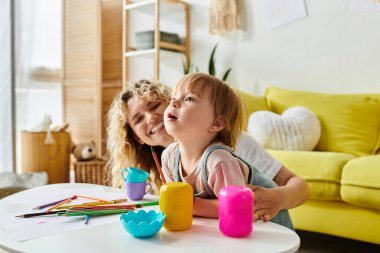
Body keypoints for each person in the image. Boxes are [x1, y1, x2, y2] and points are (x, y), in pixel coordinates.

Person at [106, 78, 309, 222]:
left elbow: (300, 186)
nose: (150, 118)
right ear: (136, 138)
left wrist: (279, 197)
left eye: (154, 105)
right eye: (138, 119)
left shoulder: (231, 146)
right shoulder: (168, 159)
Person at [160, 72, 294, 229]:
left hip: (270, 234)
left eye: (188, 98)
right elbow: (174, 204)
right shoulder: (169, 156)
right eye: (173, 98)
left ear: (216, 123)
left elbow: (236, 209)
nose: (174, 102)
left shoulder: (219, 161)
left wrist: (189, 204)